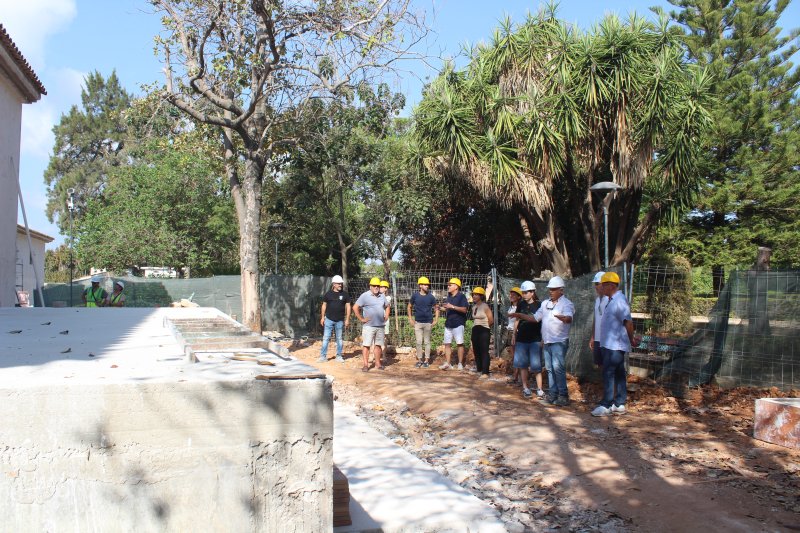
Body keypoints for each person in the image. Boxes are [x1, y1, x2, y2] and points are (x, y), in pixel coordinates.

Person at [591, 272, 635, 417]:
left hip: (614, 345)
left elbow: (628, 321)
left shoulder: (619, 301)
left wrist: (632, 339)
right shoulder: (611, 300)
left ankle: (607, 404)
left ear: (610, 285)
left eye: (603, 285)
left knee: (608, 373)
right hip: (610, 344)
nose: (601, 288)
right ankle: (620, 403)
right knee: (619, 373)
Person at [535, 276, 575, 406]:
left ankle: (563, 396)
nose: (550, 291)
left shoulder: (567, 303)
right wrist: (520, 315)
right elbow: (536, 317)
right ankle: (553, 395)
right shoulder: (545, 303)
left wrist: (564, 318)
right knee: (549, 369)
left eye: (553, 289)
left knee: (558, 368)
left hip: (559, 341)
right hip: (547, 341)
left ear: (561, 290)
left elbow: (569, 318)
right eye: (550, 289)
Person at [509, 281, 544, 398]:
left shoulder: (540, 305)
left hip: (535, 339)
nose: (524, 294)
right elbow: (517, 320)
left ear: (532, 292)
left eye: (526, 292)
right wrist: (514, 334)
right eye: (523, 292)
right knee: (523, 365)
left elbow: (542, 322)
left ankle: (539, 389)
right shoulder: (521, 304)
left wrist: (543, 338)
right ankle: (525, 388)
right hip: (522, 339)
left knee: (536, 366)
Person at [353, 277, 390, 372]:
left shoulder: (382, 296)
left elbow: (387, 306)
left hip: (380, 326)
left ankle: (378, 363)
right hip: (369, 326)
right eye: (374, 286)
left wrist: (386, 315)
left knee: (378, 345)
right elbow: (355, 307)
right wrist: (361, 319)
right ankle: (366, 365)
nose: (376, 287)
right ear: (370, 286)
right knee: (366, 345)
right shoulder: (364, 296)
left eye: (378, 286)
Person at [408, 276, 439, 368]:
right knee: (418, 342)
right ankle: (420, 360)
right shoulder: (415, 296)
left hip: (428, 323)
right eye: (425, 284)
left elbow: (436, 308)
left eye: (427, 284)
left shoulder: (431, 297)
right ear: (420, 285)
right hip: (418, 323)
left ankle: (426, 361)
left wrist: (436, 319)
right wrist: (410, 318)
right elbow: (409, 306)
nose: (427, 286)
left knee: (427, 342)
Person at [319, 275, 351, 363]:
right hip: (328, 319)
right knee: (326, 338)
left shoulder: (345, 294)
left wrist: (347, 319)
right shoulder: (328, 294)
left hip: (340, 320)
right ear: (334, 284)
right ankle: (323, 356)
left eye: (341, 283)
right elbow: (324, 305)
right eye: (338, 283)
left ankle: (339, 356)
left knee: (339, 338)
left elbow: (348, 306)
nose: (340, 285)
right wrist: (322, 317)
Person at [439, 277, 469, 370]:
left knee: (459, 344)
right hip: (448, 323)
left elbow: (464, 309)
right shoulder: (449, 296)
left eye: (450, 285)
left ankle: (460, 363)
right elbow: (448, 308)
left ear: (456, 286)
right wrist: (440, 308)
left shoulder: (461, 296)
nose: (448, 286)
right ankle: (448, 363)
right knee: (447, 344)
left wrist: (451, 306)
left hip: (458, 323)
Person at [470, 287, 494, 379]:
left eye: (476, 295)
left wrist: (485, 328)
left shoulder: (485, 306)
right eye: (473, 294)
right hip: (475, 329)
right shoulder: (474, 307)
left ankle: (485, 372)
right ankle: (479, 369)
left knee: (484, 351)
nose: (474, 296)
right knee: (476, 350)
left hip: (484, 329)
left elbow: (491, 320)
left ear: (481, 296)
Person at [505, 287, 522, 385]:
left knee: (516, 355)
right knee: (514, 355)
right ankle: (516, 376)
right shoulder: (511, 307)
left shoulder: (519, 307)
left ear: (519, 297)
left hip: (516, 332)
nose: (511, 296)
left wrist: (514, 334)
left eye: (514, 295)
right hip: (510, 331)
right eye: (511, 294)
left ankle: (517, 377)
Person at [589, 271, 606, 367]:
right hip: (597, 339)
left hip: (607, 340)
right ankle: (604, 382)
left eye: (597, 284)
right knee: (600, 365)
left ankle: (610, 382)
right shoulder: (597, 300)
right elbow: (596, 319)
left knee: (608, 366)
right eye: (595, 284)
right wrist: (593, 337)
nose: (595, 287)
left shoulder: (610, 300)